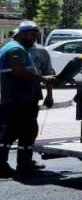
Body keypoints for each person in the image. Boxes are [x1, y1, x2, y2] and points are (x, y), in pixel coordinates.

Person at [0, 22, 55, 177]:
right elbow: (18, 70)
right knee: (15, 132)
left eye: (36, 35)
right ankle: (11, 165)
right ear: (22, 34)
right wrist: (42, 78)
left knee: (25, 132)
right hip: (17, 100)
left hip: (22, 99)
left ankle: (23, 164)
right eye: (32, 35)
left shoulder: (17, 48)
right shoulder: (15, 49)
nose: (34, 38)